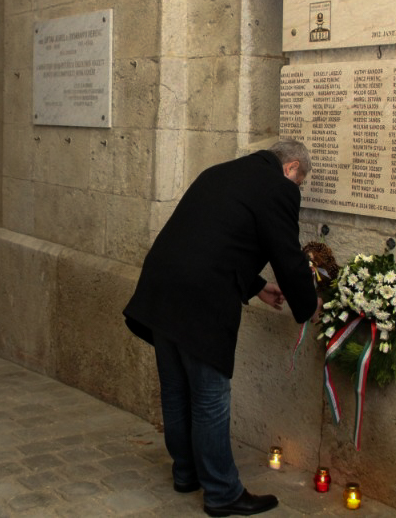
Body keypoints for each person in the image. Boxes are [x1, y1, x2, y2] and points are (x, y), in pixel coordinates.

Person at [123, 139, 320, 517]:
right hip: (200, 300)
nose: (296, 189)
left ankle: (186, 473)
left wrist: (256, 286)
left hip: (162, 288)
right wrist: (308, 305)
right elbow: (286, 254)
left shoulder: (221, 172)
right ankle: (222, 492)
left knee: (176, 390)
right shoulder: (278, 187)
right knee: (210, 397)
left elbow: (212, 239)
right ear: (292, 167)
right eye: (299, 182)